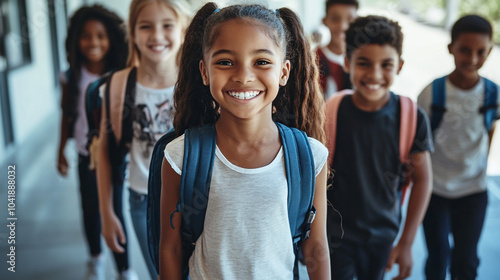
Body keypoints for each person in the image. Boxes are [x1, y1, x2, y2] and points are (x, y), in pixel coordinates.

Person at [159, 3, 330, 279]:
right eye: (225, 62)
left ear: (283, 72)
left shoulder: (310, 156)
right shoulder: (181, 156)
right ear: (205, 72)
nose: (243, 76)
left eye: (261, 62)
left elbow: (316, 248)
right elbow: (171, 249)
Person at [324, 15, 433, 280]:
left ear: (400, 66)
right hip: (336, 239)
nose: (374, 74)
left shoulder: (411, 116)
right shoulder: (330, 112)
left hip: (383, 238)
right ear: (347, 63)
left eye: (386, 65)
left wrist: (406, 243)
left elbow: (422, 180)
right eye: (363, 63)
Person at [96, 0, 190, 279]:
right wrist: (107, 213)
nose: (157, 36)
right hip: (142, 202)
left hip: (194, 199)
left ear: (183, 30)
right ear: (132, 33)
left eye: (167, 26)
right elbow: (103, 153)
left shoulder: (197, 81)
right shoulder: (117, 86)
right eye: (145, 26)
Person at [417, 15, 498, 280]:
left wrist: (480, 163)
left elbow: (489, 128)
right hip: (435, 191)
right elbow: (418, 143)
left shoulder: (493, 94)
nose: (473, 59)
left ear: (490, 51)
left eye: (481, 52)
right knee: (438, 256)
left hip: (473, 191)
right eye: (465, 50)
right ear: (451, 48)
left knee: (466, 261)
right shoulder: (432, 93)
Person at [56, 5, 127, 280]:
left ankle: (124, 268)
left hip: (116, 157)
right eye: (86, 36)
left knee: (115, 210)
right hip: (86, 154)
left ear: (111, 39)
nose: (94, 42)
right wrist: (60, 149)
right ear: (76, 39)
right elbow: (67, 115)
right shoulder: (71, 77)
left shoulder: (120, 75)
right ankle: (95, 258)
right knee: (90, 209)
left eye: (101, 35)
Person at [316, 0, 358, 99]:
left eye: (350, 20)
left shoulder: (362, 60)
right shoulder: (313, 59)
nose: (343, 26)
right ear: (324, 21)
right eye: (335, 19)